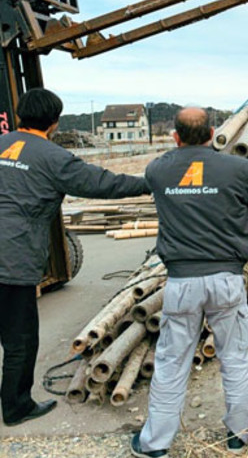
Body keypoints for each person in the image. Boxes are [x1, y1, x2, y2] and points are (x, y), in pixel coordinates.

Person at [131, 107, 248, 458]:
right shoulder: (237, 168)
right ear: (213, 132)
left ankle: (155, 445)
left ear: (175, 135)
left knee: (171, 362)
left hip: (182, 282)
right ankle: (240, 437)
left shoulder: (158, 169)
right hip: (226, 280)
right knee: (233, 357)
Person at [0, 88, 150, 427]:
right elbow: (102, 184)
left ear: (20, 115)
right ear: (54, 123)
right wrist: (149, 182)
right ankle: (15, 407)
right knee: (18, 339)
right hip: (13, 259)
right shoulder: (53, 157)